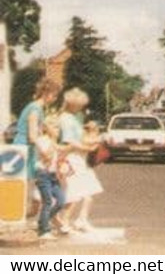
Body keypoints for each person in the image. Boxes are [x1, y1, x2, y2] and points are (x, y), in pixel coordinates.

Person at [12, 78, 58, 227]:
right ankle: (16, 220)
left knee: (27, 185)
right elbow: (32, 136)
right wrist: (44, 152)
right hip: (23, 149)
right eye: (54, 94)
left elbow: (40, 126)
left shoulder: (37, 109)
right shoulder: (35, 108)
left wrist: (49, 129)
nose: (55, 98)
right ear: (46, 93)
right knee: (22, 185)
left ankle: (22, 219)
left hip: (27, 150)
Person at [57, 88, 103, 235]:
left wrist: (94, 141)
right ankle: (63, 221)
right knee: (76, 191)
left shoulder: (74, 118)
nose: (81, 107)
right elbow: (69, 141)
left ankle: (81, 220)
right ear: (73, 104)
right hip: (72, 158)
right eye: (80, 104)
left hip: (80, 158)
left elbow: (81, 137)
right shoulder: (65, 118)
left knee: (90, 189)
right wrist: (86, 147)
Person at [33, 115, 67, 239]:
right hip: (42, 174)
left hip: (53, 175)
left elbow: (62, 153)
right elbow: (46, 156)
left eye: (58, 128)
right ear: (46, 128)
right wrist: (53, 142)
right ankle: (44, 230)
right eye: (54, 127)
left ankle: (44, 221)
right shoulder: (42, 140)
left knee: (61, 201)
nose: (57, 130)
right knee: (47, 201)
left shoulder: (54, 142)